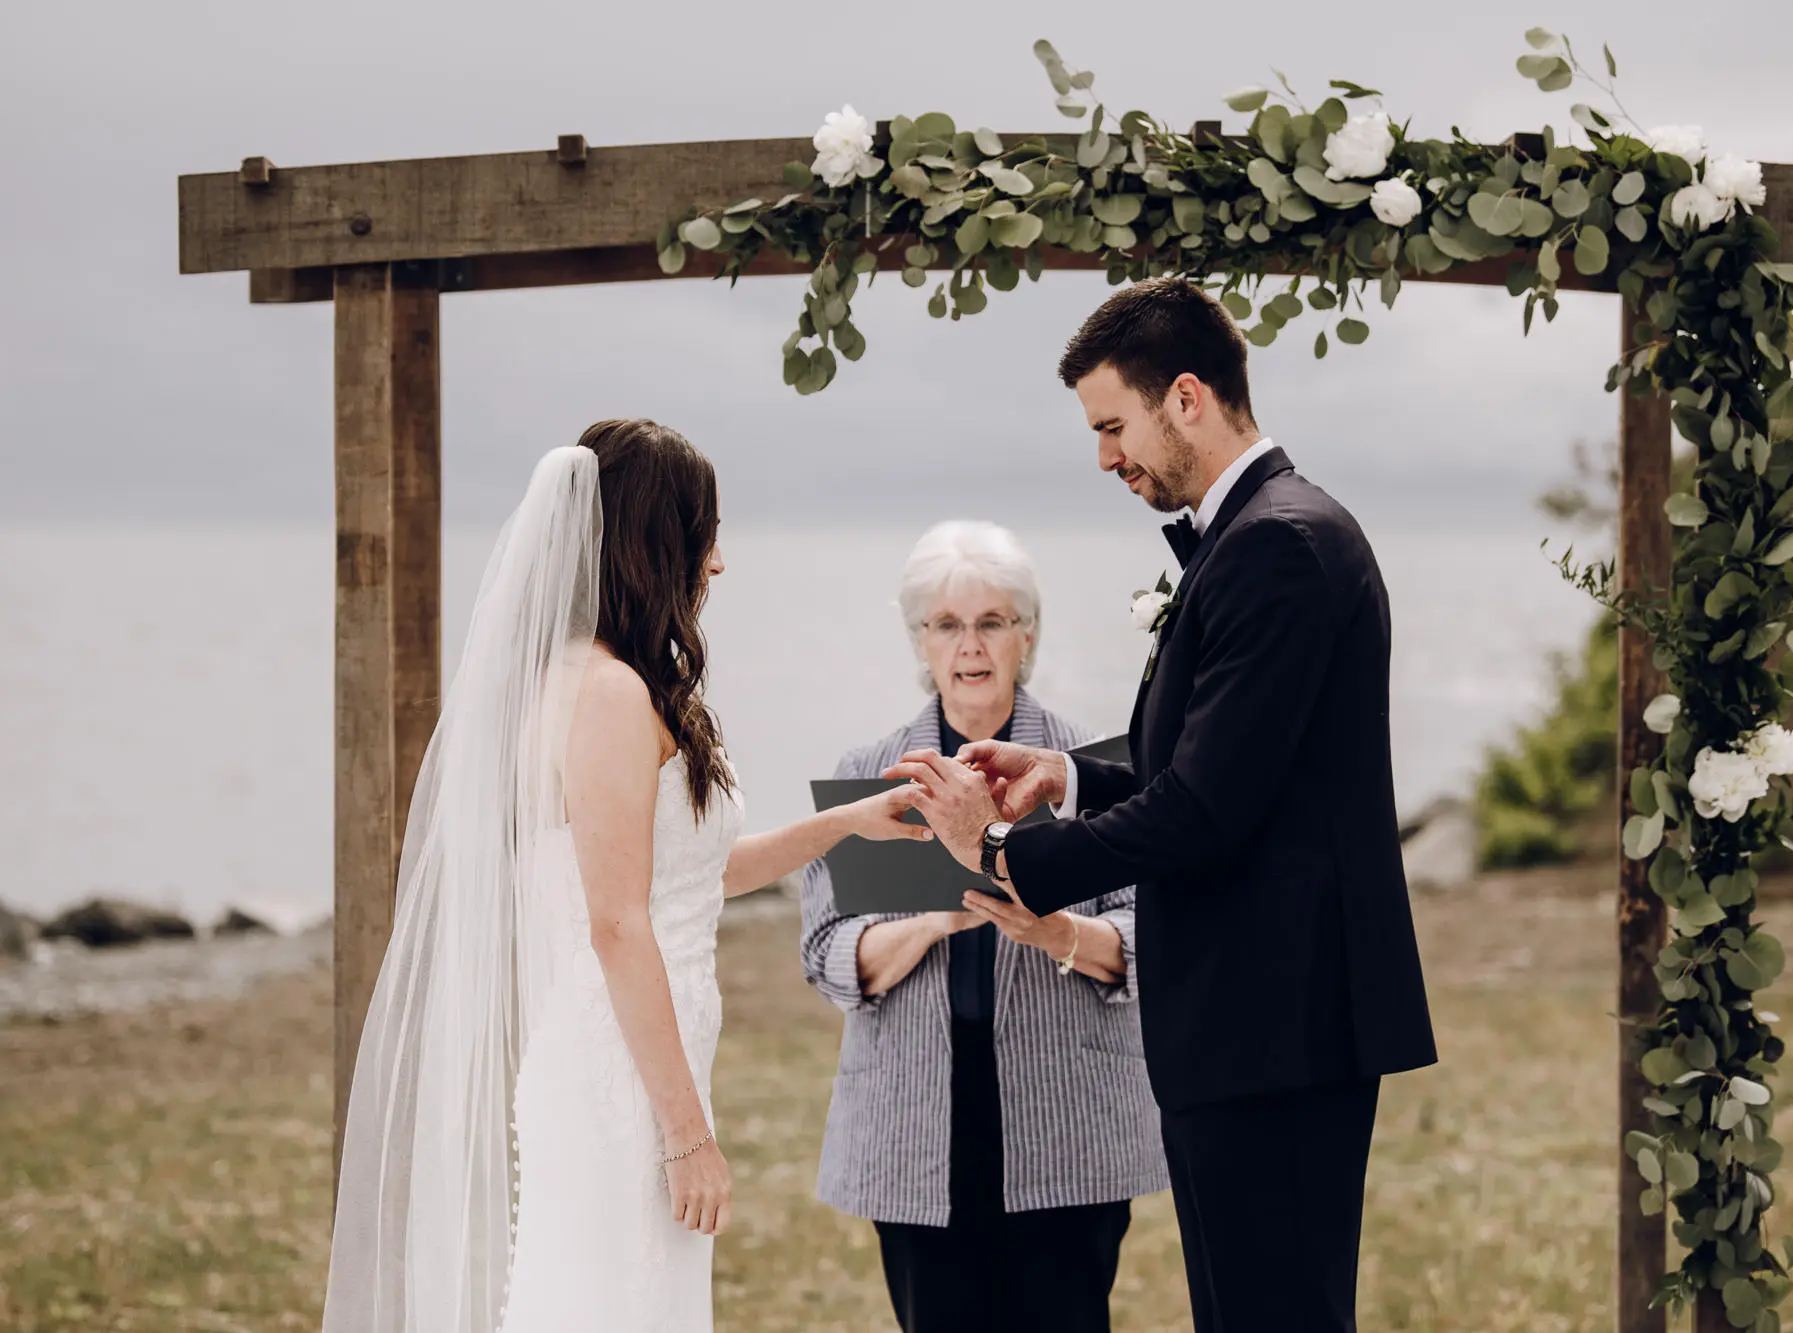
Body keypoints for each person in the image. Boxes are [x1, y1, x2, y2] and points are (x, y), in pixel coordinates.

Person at [888, 278, 1438, 1333]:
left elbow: (1203, 811)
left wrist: (1000, 844)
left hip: (1274, 1021)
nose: (1103, 456)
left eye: (1110, 425)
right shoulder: (1258, 535)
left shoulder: (1276, 545)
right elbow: (1215, 765)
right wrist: (1067, 778)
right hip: (1251, 1023)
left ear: (1184, 397)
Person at [321, 420, 931, 1333]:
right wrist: (688, 1136)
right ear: (655, 541)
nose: (717, 563)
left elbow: (693, 877)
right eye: (704, 532)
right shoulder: (605, 695)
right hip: (621, 1081)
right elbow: (618, 922)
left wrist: (845, 823)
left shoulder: (594, 682)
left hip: (639, 1061)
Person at [800, 520, 1168, 1333]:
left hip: (1068, 1120)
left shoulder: (1090, 765)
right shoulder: (869, 773)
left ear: (1025, 636)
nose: (970, 645)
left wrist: (1058, 931)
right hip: (913, 1124)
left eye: (992, 621)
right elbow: (824, 954)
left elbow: (1152, 939)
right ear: (921, 641)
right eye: (947, 624)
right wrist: (933, 919)